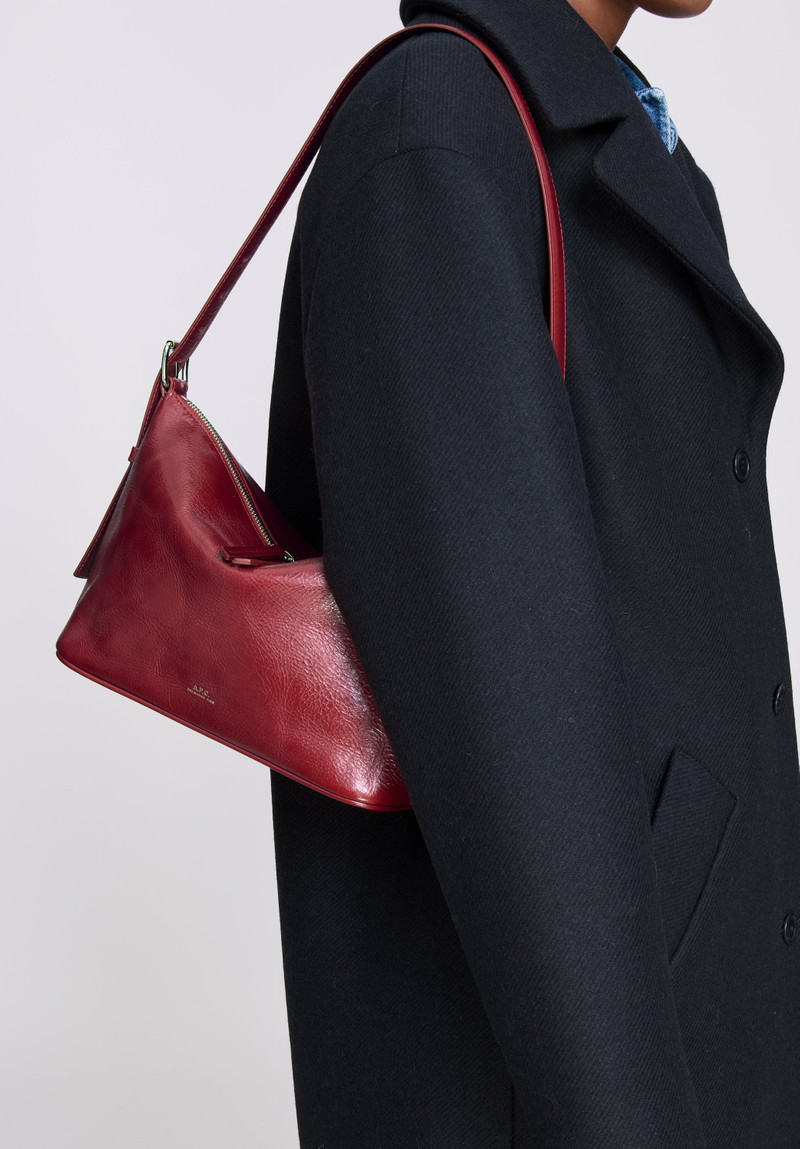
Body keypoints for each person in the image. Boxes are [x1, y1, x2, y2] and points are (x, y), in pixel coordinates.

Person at [264, 0, 800, 1145]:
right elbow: (515, 731)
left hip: (694, 1050)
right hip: (567, 1100)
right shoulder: (436, 135)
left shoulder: (591, 132)